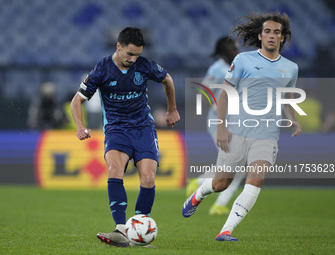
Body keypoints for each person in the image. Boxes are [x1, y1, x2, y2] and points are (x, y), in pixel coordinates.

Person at [182, 12, 301, 241]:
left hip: (267, 135)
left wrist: (293, 118)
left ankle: (226, 230)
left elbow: (286, 97)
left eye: (277, 32)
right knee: (221, 183)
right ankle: (199, 193)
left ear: (283, 38)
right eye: (267, 31)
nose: (272, 36)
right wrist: (221, 127)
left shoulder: (291, 68)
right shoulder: (243, 60)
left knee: (255, 179)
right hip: (237, 130)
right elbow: (225, 93)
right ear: (260, 35)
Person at [70, 27, 180, 247]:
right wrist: (80, 127)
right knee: (114, 170)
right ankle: (121, 229)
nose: (133, 59)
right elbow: (77, 100)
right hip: (117, 129)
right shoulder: (102, 69)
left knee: (148, 178)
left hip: (143, 128)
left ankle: (139, 228)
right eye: (130, 54)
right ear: (118, 46)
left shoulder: (144, 65)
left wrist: (171, 109)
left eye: (137, 54)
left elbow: (167, 79)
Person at [186, 36, 246, 216]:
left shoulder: (241, 66)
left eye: (237, 48)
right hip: (218, 123)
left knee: (234, 164)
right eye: (233, 50)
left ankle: (199, 183)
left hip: (237, 122)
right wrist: (214, 104)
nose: (237, 52)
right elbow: (203, 91)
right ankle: (218, 204)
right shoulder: (217, 69)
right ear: (223, 53)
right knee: (236, 164)